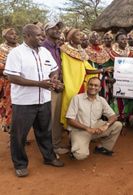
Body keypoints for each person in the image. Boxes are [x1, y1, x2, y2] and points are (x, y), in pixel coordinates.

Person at [4, 24, 64, 177]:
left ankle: (49, 157)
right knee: (19, 135)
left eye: (42, 35)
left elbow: (54, 68)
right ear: (27, 36)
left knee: (45, 131)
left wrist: (53, 78)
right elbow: (12, 77)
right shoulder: (16, 53)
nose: (42, 37)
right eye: (38, 35)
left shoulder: (44, 51)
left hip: (44, 99)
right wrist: (40, 84)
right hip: (24, 102)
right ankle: (20, 164)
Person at [66, 77, 122, 160]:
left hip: (95, 128)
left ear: (100, 88)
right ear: (87, 86)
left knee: (117, 125)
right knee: (80, 155)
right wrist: (87, 128)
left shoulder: (101, 100)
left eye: (96, 85)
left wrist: (106, 125)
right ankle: (73, 144)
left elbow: (113, 116)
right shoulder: (77, 98)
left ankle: (102, 148)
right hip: (80, 130)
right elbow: (70, 120)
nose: (93, 87)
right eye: (91, 85)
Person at [60, 28, 102, 129]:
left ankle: (81, 130)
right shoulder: (64, 50)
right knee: (70, 105)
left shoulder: (80, 51)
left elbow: (87, 69)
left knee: (80, 108)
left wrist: (102, 70)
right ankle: (70, 132)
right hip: (70, 83)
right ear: (70, 38)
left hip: (81, 83)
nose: (82, 37)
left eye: (81, 35)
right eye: (78, 35)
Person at [42, 21, 69, 155]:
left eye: (59, 28)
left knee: (56, 118)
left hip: (58, 87)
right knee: (49, 119)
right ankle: (50, 148)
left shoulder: (57, 47)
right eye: (54, 28)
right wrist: (54, 84)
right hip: (47, 88)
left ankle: (55, 144)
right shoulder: (42, 48)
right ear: (46, 31)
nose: (58, 30)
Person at [108, 31, 133, 125]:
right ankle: (117, 121)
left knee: (128, 99)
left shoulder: (131, 52)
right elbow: (106, 67)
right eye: (122, 39)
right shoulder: (111, 53)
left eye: (125, 39)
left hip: (128, 80)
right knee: (116, 100)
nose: (124, 41)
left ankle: (125, 120)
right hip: (114, 81)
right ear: (117, 41)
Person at [0, 28, 18, 132]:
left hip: (20, 83)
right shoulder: (1, 49)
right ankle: (8, 128)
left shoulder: (21, 48)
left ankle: (17, 131)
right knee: (6, 106)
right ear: (4, 36)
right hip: (5, 83)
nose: (14, 36)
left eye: (15, 34)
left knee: (18, 106)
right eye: (11, 34)